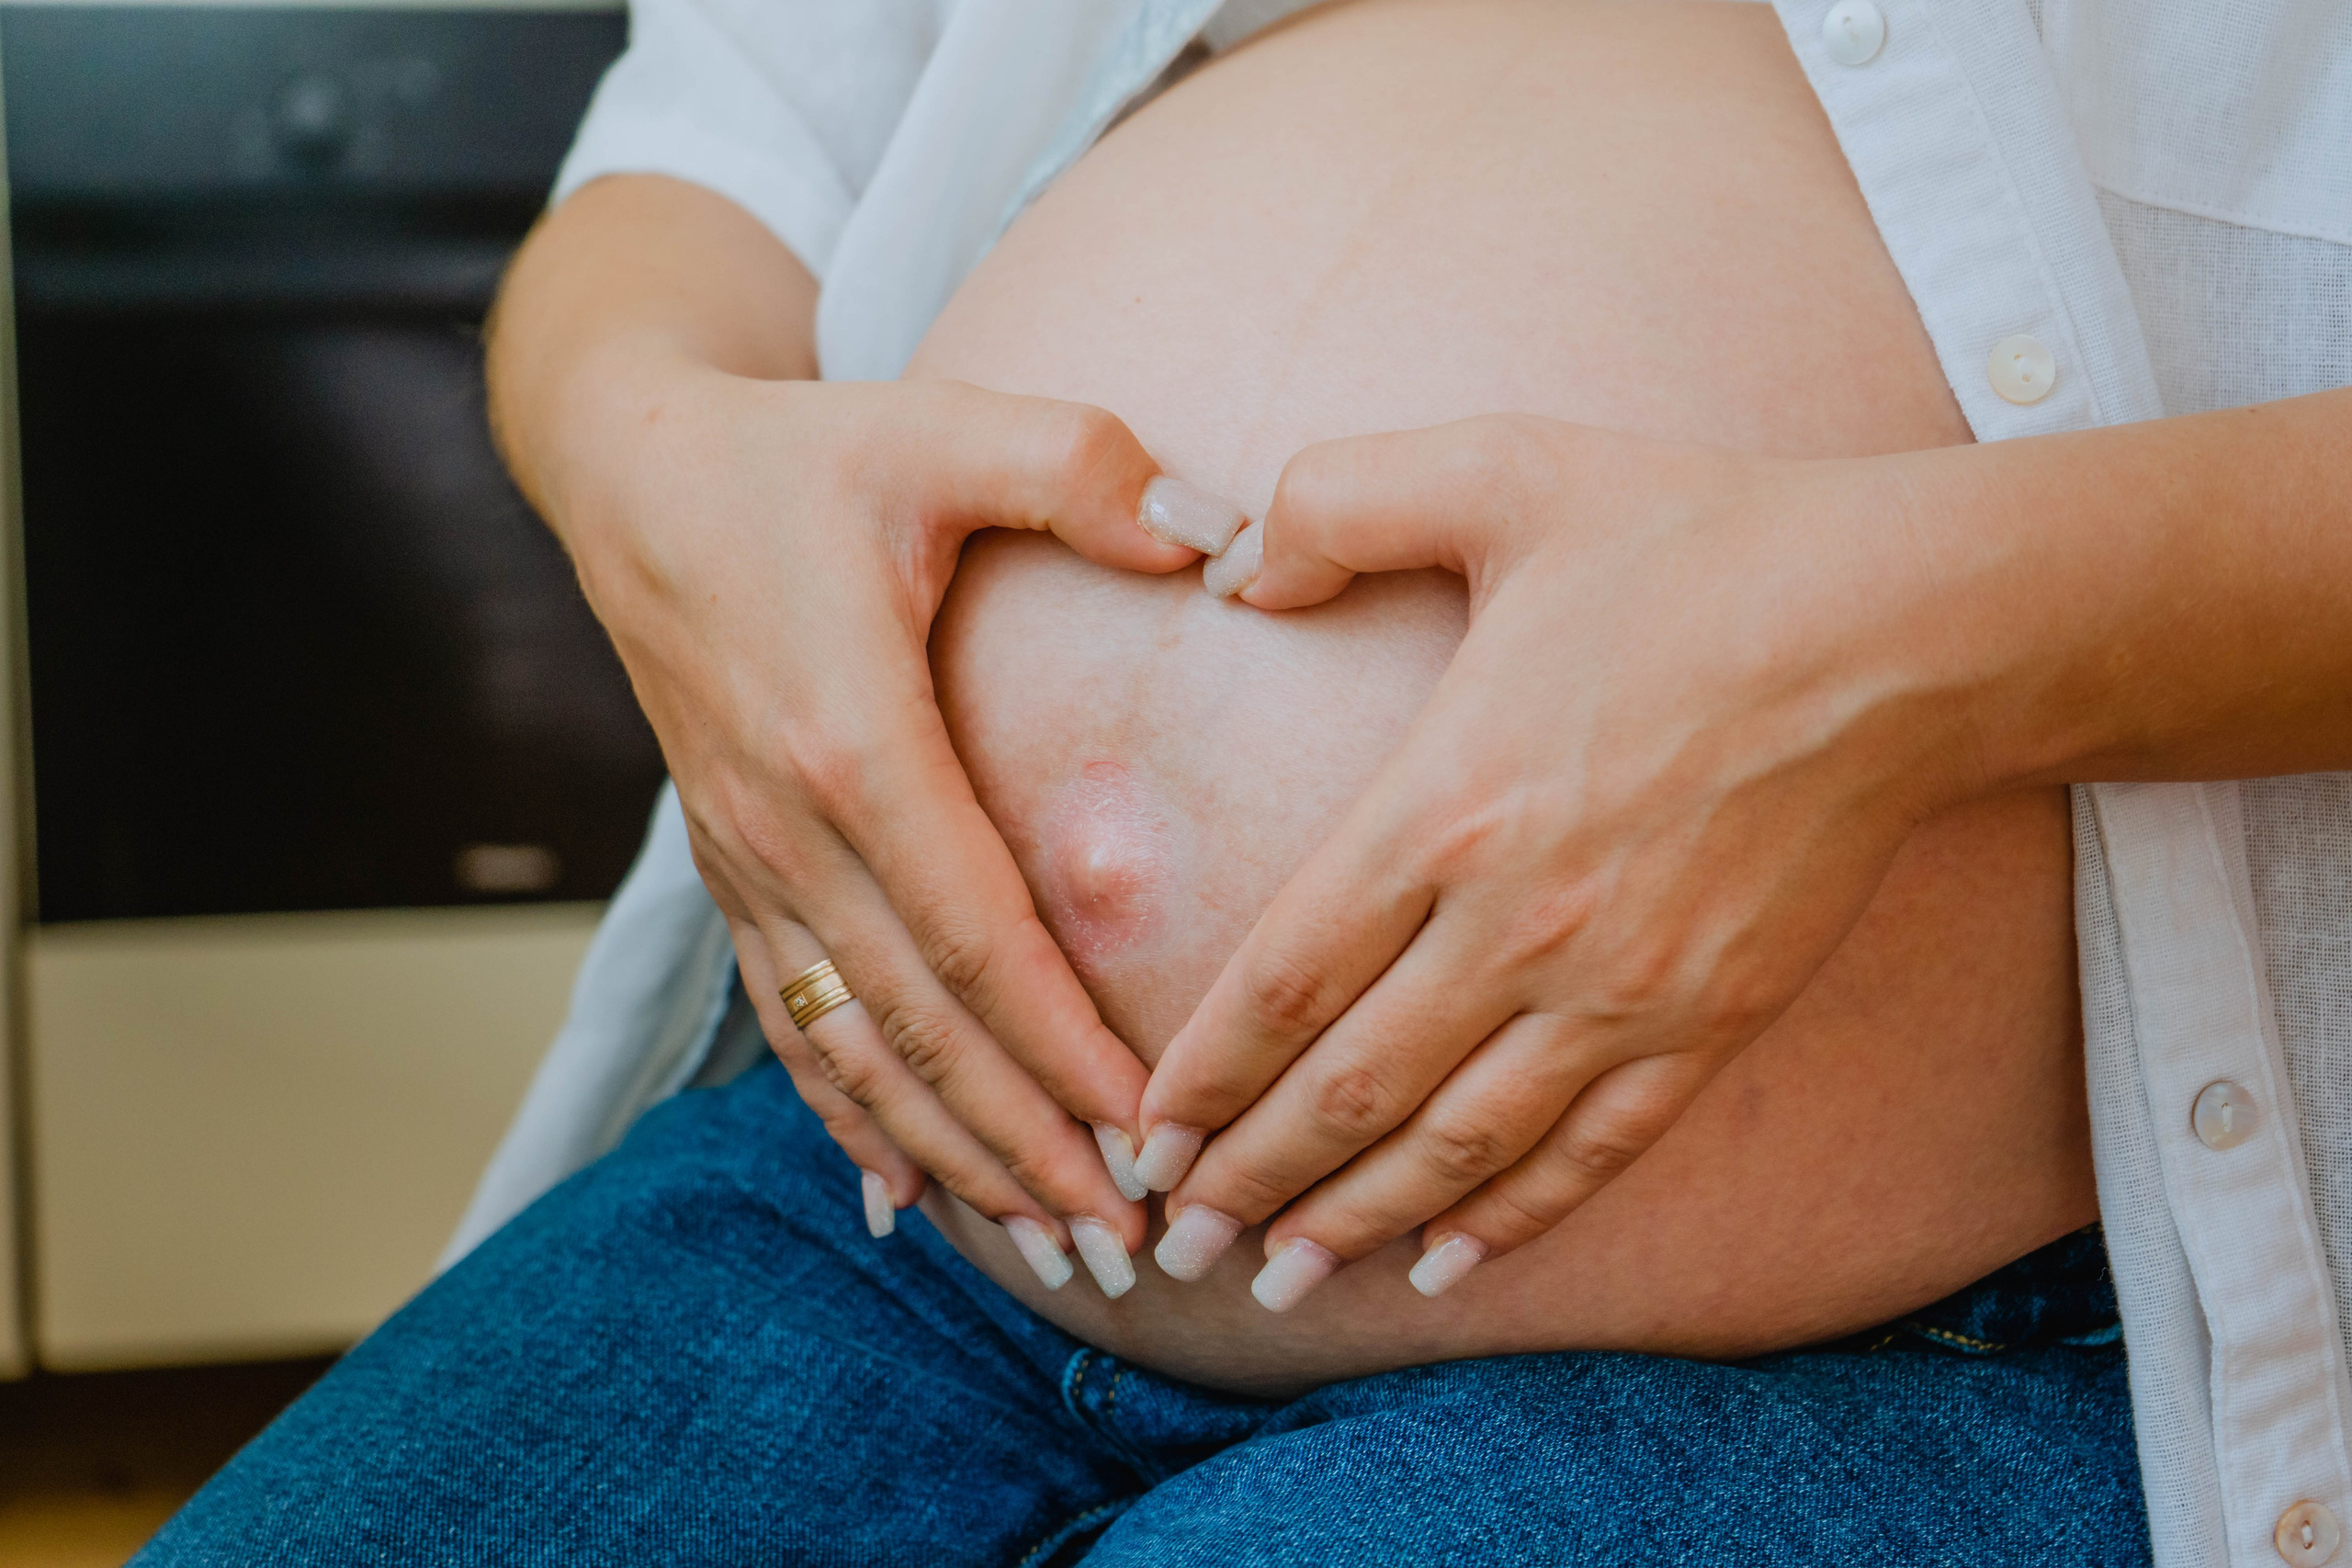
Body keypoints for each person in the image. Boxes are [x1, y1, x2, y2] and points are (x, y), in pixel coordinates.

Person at [140, 1, 2351, 1564]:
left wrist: (1911, 649)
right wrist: (661, 476)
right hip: (898, 1195)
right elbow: (696, 180)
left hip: (1952, 1325)